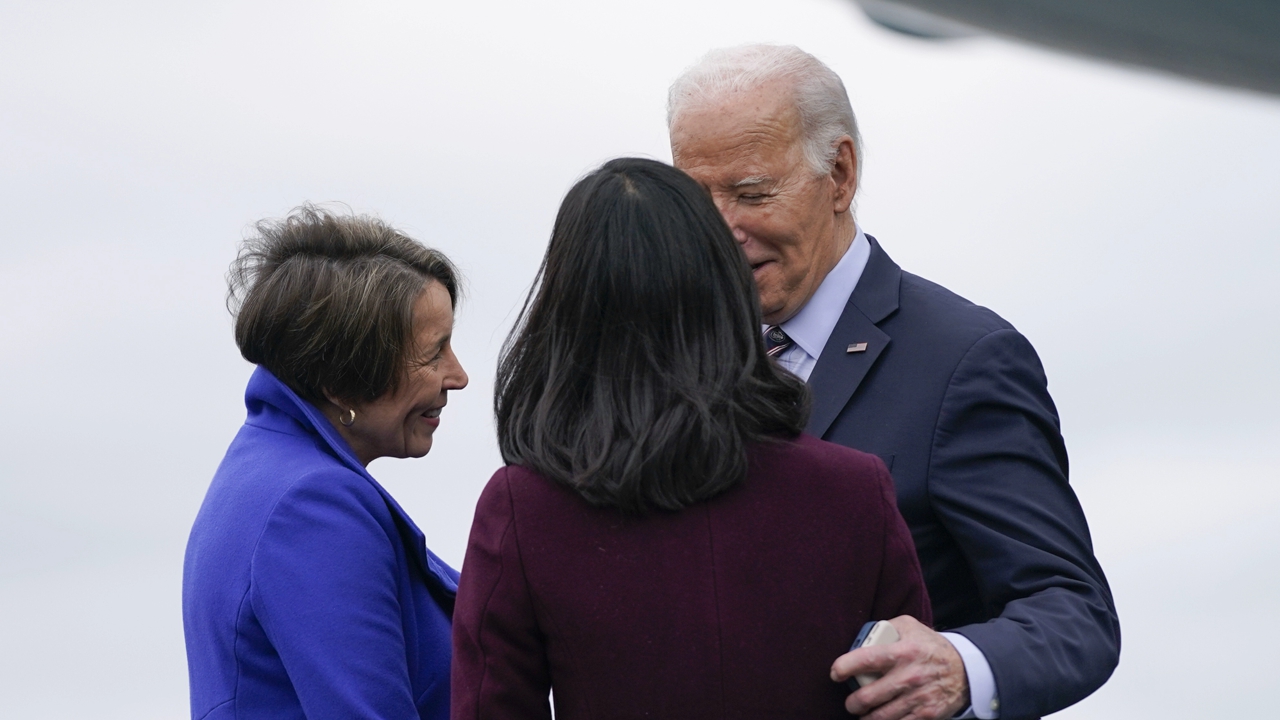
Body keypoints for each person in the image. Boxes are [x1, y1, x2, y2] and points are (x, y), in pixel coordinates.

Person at [667, 45, 1120, 720]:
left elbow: (1072, 611)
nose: (720, 232)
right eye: (694, 202)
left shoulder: (964, 359)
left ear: (840, 173)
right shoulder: (664, 356)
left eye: (751, 194)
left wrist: (961, 667)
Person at [450, 158, 932, 720]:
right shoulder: (855, 490)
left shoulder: (522, 509)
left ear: (568, 311)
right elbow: (917, 698)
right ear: (724, 286)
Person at [183, 205, 469, 720]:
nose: (458, 376)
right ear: (341, 380)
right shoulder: (313, 508)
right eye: (434, 352)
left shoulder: (263, 472)